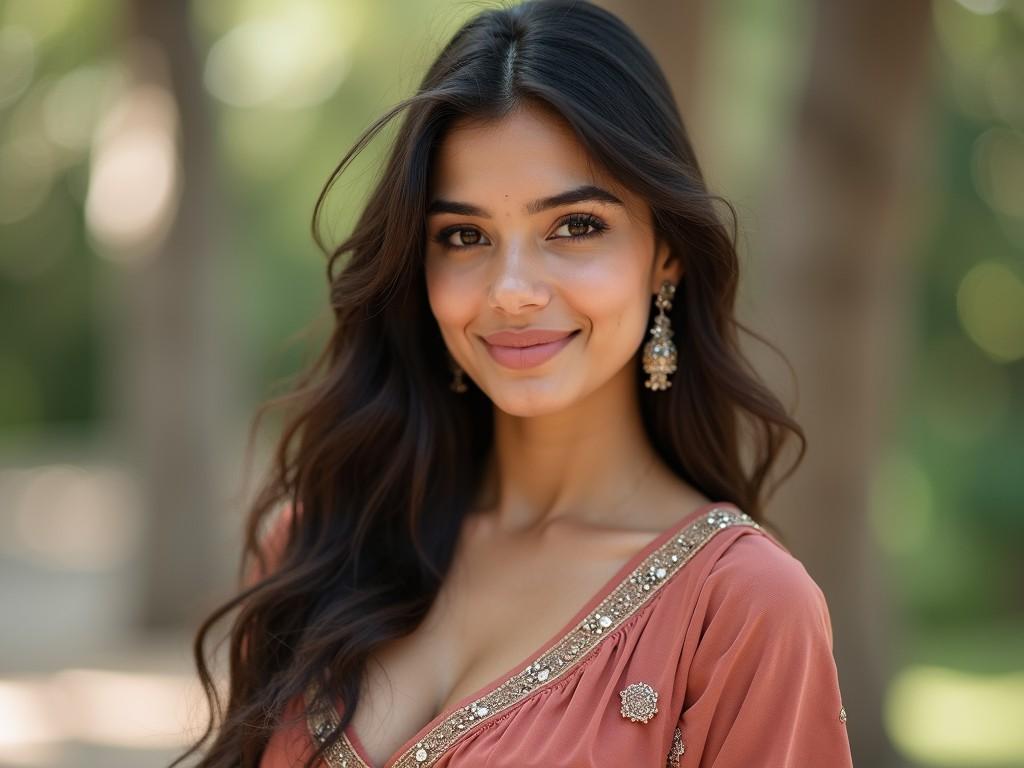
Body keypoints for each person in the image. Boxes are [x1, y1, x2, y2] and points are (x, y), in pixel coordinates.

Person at [173, 1, 854, 766]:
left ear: (666, 252)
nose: (512, 291)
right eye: (464, 236)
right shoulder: (319, 545)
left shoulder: (742, 609)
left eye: (574, 226)